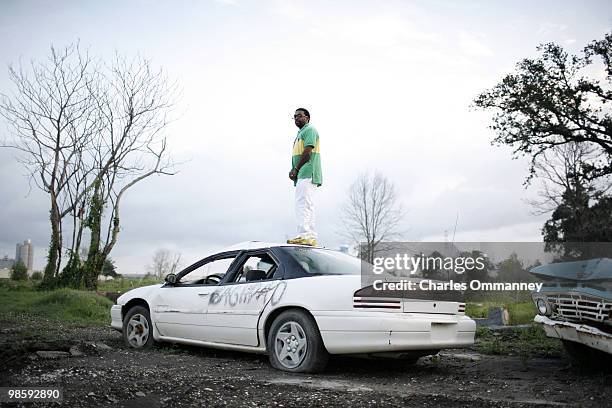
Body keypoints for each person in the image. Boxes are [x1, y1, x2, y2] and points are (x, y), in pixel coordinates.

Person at [287, 108, 322, 247]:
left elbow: (307, 152)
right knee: (308, 203)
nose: (296, 118)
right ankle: (310, 236)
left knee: (302, 203)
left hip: (307, 171)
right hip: (304, 173)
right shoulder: (300, 133)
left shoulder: (309, 130)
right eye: (294, 117)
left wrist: (296, 169)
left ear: (307, 117)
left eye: (299, 116)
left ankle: (304, 235)